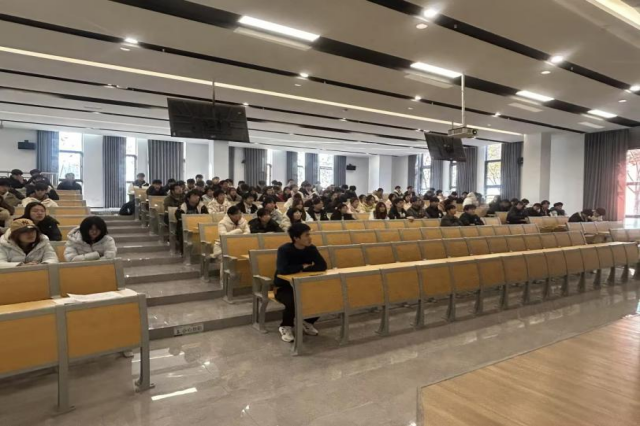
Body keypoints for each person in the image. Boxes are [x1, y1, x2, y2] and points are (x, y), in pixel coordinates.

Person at [273, 223, 327, 342]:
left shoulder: (311, 248)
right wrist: (302, 266)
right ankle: (285, 326)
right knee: (294, 300)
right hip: (284, 287)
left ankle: (308, 322)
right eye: (306, 235)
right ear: (296, 238)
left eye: (309, 234)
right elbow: (283, 270)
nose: (310, 238)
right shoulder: (284, 250)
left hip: (305, 285)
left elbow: (322, 266)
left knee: (323, 296)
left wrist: (302, 269)